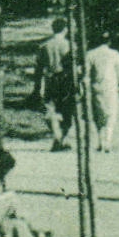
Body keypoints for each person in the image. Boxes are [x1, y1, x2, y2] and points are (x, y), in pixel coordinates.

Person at [34, 19, 75, 151]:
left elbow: (39, 67)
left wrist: (37, 85)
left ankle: (57, 137)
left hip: (50, 79)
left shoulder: (44, 46)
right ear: (65, 29)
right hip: (66, 80)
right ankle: (62, 138)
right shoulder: (70, 45)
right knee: (66, 109)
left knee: (51, 108)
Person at [85, 31, 119, 153]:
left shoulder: (90, 54)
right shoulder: (115, 54)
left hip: (97, 87)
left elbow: (86, 74)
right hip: (111, 87)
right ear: (109, 41)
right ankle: (108, 141)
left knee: (99, 115)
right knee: (111, 115)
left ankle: (100, 141)